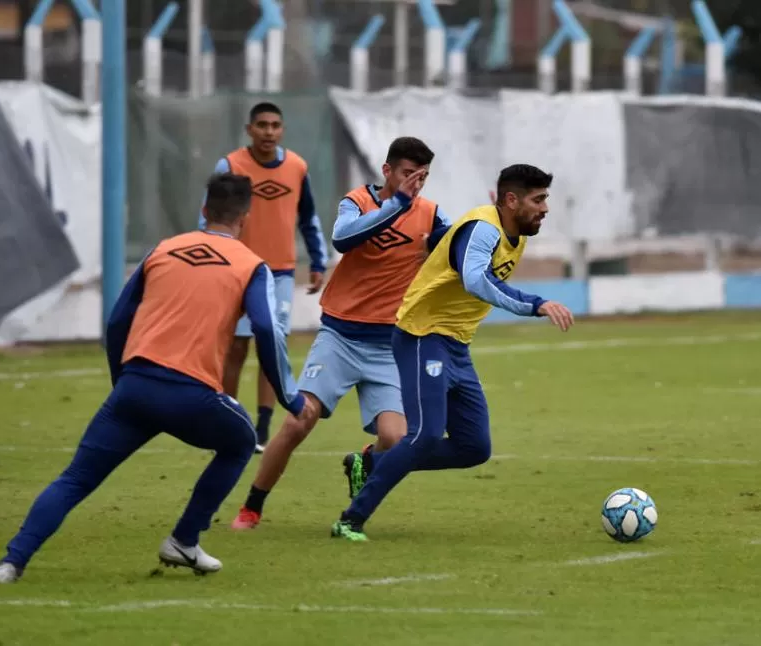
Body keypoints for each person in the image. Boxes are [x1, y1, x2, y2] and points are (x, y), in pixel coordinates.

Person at [0, 173, 318, 583]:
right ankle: (185, 539)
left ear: (205, 210)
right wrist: (291, 398)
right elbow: (266, 330)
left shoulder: (163, 249)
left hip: (135, 388)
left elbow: (118, 319)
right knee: (242, 441)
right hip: (192, 395)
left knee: (75, 478)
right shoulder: (252, 267)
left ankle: (10, 563)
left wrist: (121, 379)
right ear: (245, 217)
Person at [329, 164, 575, 541]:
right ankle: (350, 519)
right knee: (424, 435)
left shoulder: (513, 232)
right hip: (422, 336)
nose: (545, 208)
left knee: (473, 447)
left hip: (456, 345)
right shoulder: (483, 229)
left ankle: (370, 462)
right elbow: (476, 279)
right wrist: (535, 303)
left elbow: (448, 247)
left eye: (546, 199)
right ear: (511, 200)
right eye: (538, 200)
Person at [231, 137, 452, 530]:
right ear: (387, 171)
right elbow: (344, 239)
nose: (415, 184)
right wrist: (397, 204)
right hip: (340, 339)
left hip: (389, 346)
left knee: (397, 439)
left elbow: (461, 247)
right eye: (407, 174)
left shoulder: (430, 214)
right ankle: (252, 505)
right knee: (300, 421)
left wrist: (497, 228)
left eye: (422, 177)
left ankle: (364, 462)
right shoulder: (357, 202)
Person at [201, 102, 328, 453]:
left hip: (280, 273)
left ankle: (260, 427)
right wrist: (210, 261)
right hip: (237, 270)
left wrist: (318, 261)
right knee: (236, 348)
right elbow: (208, 217)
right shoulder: (230, 166)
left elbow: (309, 218)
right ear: (249, 129)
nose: (269, 131)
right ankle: (227, 422)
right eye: (262, 125)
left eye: (275, 125)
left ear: (282, 130)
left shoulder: (297, 167)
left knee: (271, 344)